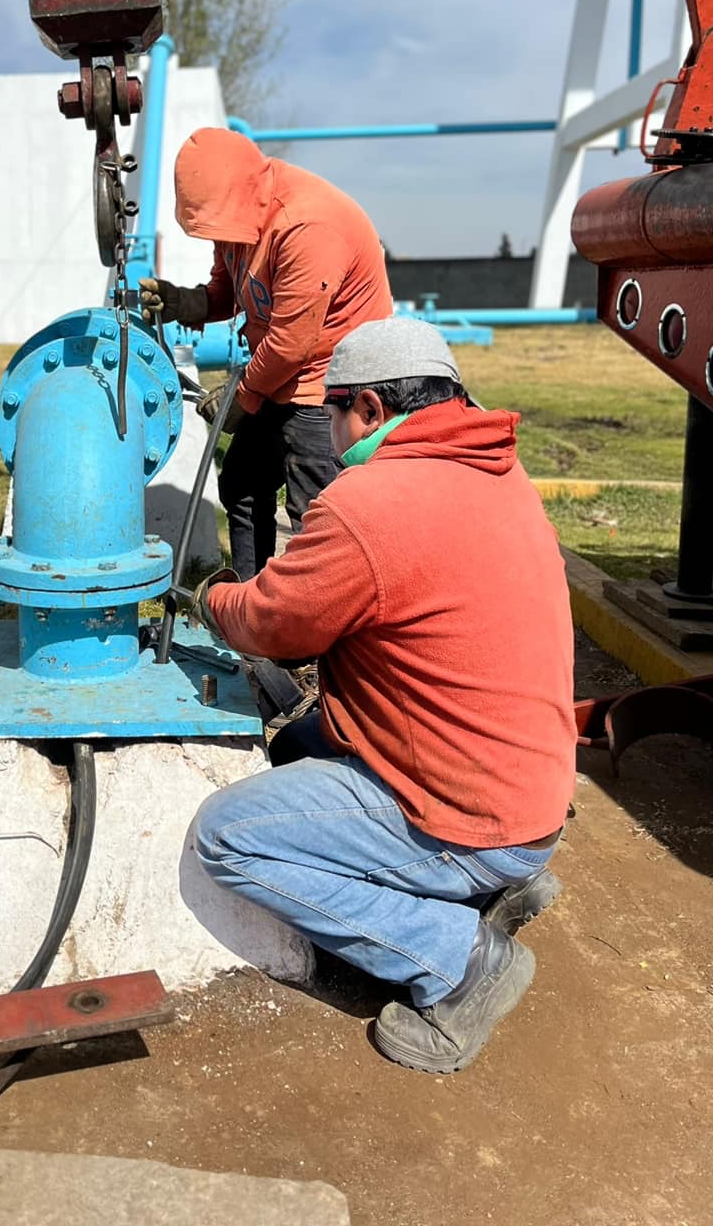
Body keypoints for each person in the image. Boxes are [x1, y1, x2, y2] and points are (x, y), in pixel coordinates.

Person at [189, 316, 575, 1074]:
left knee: (229, 835)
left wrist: (213, 598)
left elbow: (275, 625)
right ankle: (492, 884)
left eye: (329, 412)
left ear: (367, 409)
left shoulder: (369, 502)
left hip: (467, 815)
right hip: (529, 794)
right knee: (300, 743)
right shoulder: (501, 474)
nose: (326, 431)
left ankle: (458, 961)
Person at [139, 127, 391, 578]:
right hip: (277, 373)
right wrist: (188, 301)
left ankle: (324, 638)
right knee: (242, 486)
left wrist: (241, 398)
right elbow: (231, 289)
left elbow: (293, 343)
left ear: (242, 195)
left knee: (316, 514)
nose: (216, 239)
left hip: (330, 386)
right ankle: (256, 618)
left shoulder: (308, 226)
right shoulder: (236, 216)